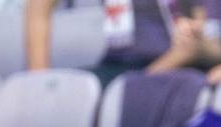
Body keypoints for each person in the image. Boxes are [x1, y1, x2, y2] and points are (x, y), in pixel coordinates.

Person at [26, 0, 220, 87]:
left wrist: (143, 78)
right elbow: (38, 5)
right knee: (69, 91)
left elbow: (198, 42)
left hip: (173, 67)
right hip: (117, 67)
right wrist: (39, 79)